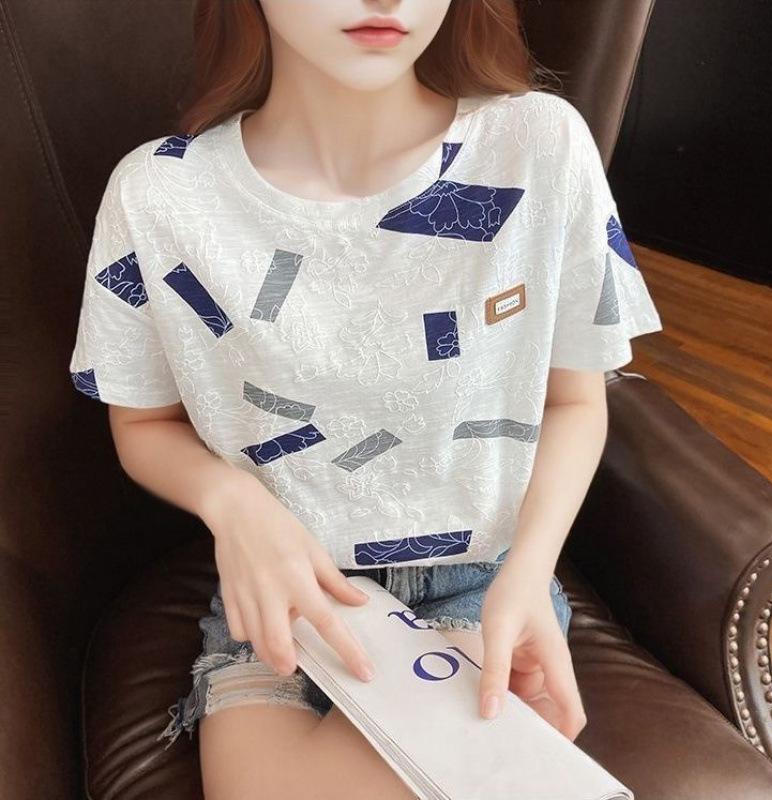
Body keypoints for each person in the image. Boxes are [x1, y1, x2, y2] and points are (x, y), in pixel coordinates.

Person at [68, 0, 663, 797]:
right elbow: (143, 423)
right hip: (280, 592)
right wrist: (233, 504)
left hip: (476, 583)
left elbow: (575, 403)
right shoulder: (160, 194)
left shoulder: (536, 145)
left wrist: (528, 571)